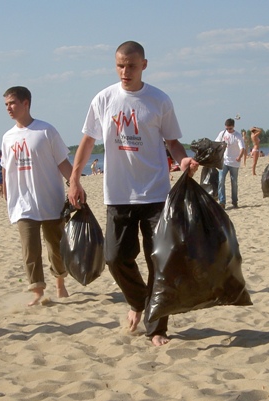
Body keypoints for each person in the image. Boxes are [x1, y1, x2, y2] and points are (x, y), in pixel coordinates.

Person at [67, 40, 197, 347]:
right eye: (120, 66)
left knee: (159, 261)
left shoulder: (158, 100)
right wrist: (74, 178)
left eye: (132, 66)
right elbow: (87, 142)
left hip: (155, 193)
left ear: (144, 65)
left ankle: (157, 328)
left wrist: (183, 161)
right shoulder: (104, 99)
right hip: (118, 193)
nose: (125, 72)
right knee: (115, 258)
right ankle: (140, 302)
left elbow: (173, 142)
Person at [1, 85, 72, 306]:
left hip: (50, 200)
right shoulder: (8, 137)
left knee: (56, 248)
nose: (8, 108)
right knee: (29, 249)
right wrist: (5, 190)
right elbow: (6, 168)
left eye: (12, 103)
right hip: (23, 203)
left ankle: (60, 283)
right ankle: (38, 291)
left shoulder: (46, 131)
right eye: (6, 105)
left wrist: (74, 184)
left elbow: (62, 162)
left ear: (26, 103)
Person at [215, 118, 245, 209]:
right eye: (227, 129)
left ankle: (234, 201)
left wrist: (239, 157)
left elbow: (242, 148)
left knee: (234, 182)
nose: (229, 130)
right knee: (221, 181)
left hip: (234, 163)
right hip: (224, 161)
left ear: (233, 127)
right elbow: (216, 144)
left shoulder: (237, 135)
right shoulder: (222, 134)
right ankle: (222, 201)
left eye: (230, 128)